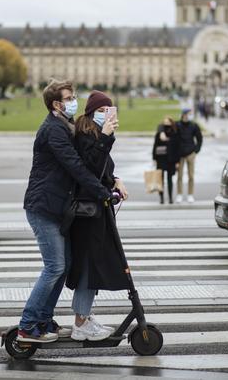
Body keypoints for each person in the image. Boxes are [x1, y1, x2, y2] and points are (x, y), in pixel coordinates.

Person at [19, 80, 114, 343]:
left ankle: (43, 319)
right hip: (43, 207)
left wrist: (112, 180)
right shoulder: (54, 130)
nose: (74, 101)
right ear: (57, 104)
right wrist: (101, 191)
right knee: (55, 267)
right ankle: (28, 325)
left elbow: (86, 161)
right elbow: (76, 167)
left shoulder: (64, 126)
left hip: (56, 207)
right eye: (70, 97)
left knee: (64, 265)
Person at [66, 90, 130, 341]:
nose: (106, 115)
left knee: (93, 265)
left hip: (96, 209)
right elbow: (89, 168)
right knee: (89, 266)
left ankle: (84, 316)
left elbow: (103, 169)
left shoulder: (95, 133)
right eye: (102, 111)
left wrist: (116, 180)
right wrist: (105, 138)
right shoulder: (84, 135)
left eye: (109, 110)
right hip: (86, 213)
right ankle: (80, 322)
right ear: (92, 112)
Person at [175, 107, 203, 204]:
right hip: (180, 154)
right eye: (187, 114)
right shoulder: (177, 125)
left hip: (191, 153)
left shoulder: (194, 125)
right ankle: (179, 194)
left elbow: (199, 138)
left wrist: (196, 150)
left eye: (190, 114)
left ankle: (190, 194)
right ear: (183, 114)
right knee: (179, 176)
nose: (188, 116)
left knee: (191, 175)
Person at [152, 117, 181, 204]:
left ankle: (170, 198)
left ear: (171, 123)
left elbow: (177, 148)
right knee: (160, 179)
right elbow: (155, 146)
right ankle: (161, 198)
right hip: (161, 159)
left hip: (171, 159)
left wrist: (177, 161)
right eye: (165, 122)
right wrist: (154, 158)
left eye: (168, 121)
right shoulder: (160, 133)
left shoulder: (175, 133)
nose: (166, 123)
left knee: (170, 179)